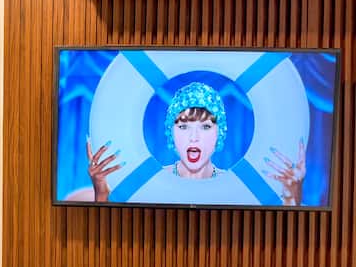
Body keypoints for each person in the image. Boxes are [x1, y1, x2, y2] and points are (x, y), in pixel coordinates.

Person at [87, 81, 305, 205]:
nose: (194, 137)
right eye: (183, 127)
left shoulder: (237, 187)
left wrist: (292, 193)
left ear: (219, 134)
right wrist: (102, 191)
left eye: (205, 127)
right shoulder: (149, 182)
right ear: (171, 133)